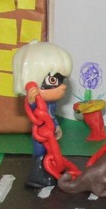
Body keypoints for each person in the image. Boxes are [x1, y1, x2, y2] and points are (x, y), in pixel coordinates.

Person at [12, 41, 74, 187]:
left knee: (51, 151)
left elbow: (51, 116)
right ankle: (37, 175)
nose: (63, 86)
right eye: (53, 80)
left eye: (62, 80)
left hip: (49, 131)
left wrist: (56, 126)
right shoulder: (37, 103)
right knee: (40, 153)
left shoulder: (51, 103)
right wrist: (32, 100)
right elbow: (37, 114)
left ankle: (52, 168)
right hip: (40, 133)